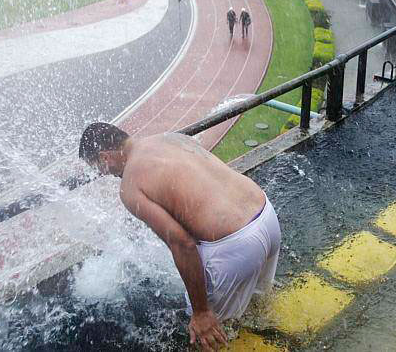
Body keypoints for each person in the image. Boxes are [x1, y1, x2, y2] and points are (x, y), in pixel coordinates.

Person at [78, 124, 281, 352]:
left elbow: (183, 243)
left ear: (105, 157)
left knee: (204, 336)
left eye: (99, 168)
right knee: (258, 306)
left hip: (235, 246)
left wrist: (201, 312)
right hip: (266, 216)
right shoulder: (169, 137)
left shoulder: (130, 186)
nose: (104, 174)